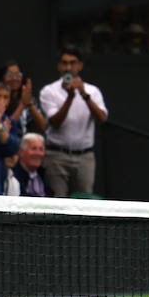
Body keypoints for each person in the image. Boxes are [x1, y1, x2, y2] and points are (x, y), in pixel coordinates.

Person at [38, 46, 109, 197]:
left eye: (73, 63)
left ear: (80, 66)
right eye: (64, 63)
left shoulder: (92, 91)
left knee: (83, 203)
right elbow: (55, 122)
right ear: (58, 65)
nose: (68, 67)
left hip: (84, 157)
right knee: (57, 204)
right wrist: (70, 97)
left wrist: (84, 95)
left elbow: (102, 118)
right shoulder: (48, 91)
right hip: (57, 155)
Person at [6, 131, 51, 197]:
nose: (38, 153)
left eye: (41, 149)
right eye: (34, 148)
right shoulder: (14, 174)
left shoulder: (43, 173)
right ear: (21, 152)